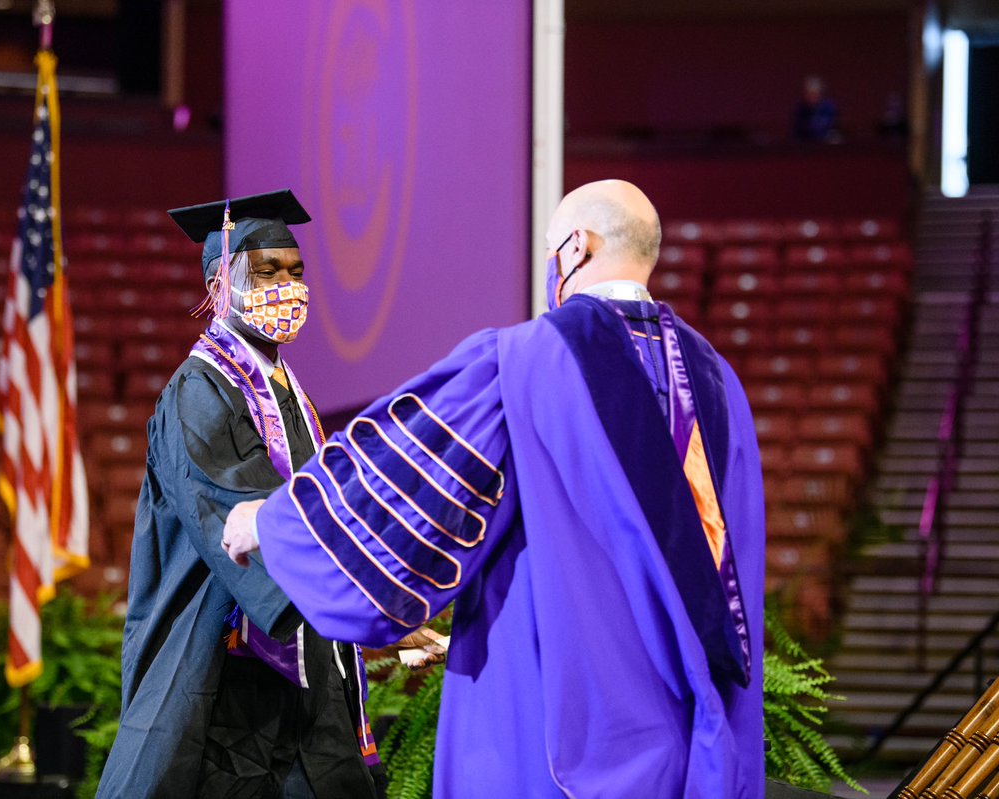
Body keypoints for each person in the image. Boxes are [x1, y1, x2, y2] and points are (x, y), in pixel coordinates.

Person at [222, 180, 766, 798]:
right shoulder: (718, 385)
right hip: (688, 744)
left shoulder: (527, 361)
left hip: (552, 732)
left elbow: (401, 481)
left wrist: (272, 522)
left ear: (575, 248)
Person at [98, 190, 411, 798]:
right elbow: (247, 516)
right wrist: (367, 604)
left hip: (301, 670)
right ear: (220, 284)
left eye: (294, 272)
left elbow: (320, 513)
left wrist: (382, 600)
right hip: (226, 677)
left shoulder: (291, 394)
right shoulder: (198, 393)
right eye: (265, 271)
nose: (286, 285)